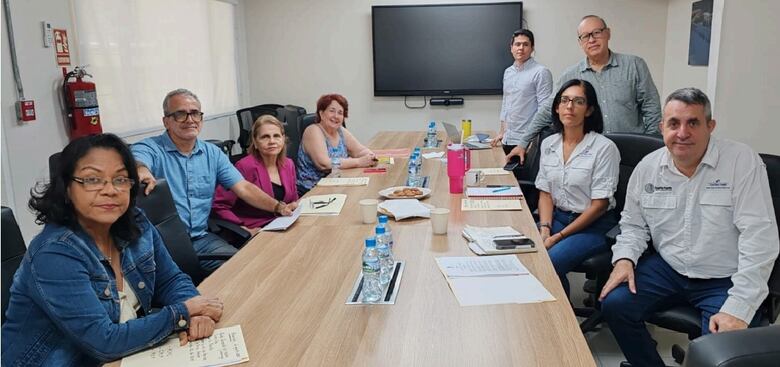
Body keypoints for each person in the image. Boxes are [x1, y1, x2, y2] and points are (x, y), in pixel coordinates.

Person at [1, 134, 224, 366]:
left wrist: (197, 311)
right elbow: (104, 342)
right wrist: (182, 313)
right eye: (92, 180)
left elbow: (169, 280)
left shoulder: (135, 222)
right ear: (67, 188)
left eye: (120, 180)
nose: (110, 190)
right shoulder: (55, 253)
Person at [599, 88, 779, 367]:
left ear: (710, 126)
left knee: (720, 351)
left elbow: (760, 239)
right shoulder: (648, 167)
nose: (682, 132)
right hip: (669, 269)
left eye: (693, 123)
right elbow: (633, 224)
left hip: (725, 277)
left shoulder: (741, 162)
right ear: (662, 128)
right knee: (615, 305)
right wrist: (624, 259)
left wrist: (739, 307)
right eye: (674, 123)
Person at [133, 89, 296, 272]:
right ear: (166, 121)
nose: (190, 119)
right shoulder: (152, 148)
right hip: (159, 246)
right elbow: (136, 157)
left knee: (247, 269)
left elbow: (243, 187)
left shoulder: (213, 153)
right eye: (180, 114)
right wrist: (140, 170)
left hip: (201, 239)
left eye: (195, 113)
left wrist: (278, 207)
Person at [507, 15, 661, 165]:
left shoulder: (634, 65)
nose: (592, 40)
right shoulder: (571, 75)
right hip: (591, 157)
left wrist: (649, 145)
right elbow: (547, 110)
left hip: (631, 154)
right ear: (580, 42)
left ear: (607, 33)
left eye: (597, 33)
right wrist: (523, 143)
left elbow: (651, 107)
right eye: (585, 36)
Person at [535, 79, 620, 296]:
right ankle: (546, 314)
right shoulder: (549, 144)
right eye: (564, 100)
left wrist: (557, 237)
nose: (569, 106)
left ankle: (562, 325)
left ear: (589, 110)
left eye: (578, 101)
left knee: (550, 262)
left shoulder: (604, 148)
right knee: (522, 252)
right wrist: (545, 228)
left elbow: (599, 205)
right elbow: (545, 192)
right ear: (556, 107)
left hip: (593, 226)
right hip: (557, 219)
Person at [212, 115, 299, 235]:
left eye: (276, 136)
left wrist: (293, 206)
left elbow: (293, 200)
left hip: (283, 224)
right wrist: (242, 228)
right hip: (256, 229)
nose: (272, 141)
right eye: (265, 137)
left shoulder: (288, 164)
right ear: (255, 142)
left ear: (283, 139)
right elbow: (219, 205)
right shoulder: (244, 167)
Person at [491, 28, 553, 179]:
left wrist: (533, 141)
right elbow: (506, 104)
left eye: (525, 44)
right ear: (511, 47)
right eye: (517, 44)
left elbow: (545, 110)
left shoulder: (541, 72)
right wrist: (501, 132)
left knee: (520, 185)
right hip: (508, 139)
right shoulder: (508, 72)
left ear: (532, 48)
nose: (521, 48)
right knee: (505, 180)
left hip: (525, 142)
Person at [296, 93, 377, 195]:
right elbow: (324, 164)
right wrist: (359, 162)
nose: (336, 116)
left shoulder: (340, 131)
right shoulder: (313, 131)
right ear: (321, 113)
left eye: (340, 113)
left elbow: (359, 151)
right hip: (312, 191)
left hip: (336, 186)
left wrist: (370, 156)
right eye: (332, 111)